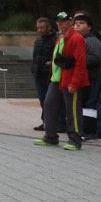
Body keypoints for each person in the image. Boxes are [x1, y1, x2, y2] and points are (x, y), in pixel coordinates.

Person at [35, 12, 88, 151]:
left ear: (70, 22)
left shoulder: (76, 38)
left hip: (69, 79)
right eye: (58, 21)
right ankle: (51, 136)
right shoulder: (61, 37)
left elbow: (80, 63)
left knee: (73, 110)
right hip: (57, 79)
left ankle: (75, 139)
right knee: (49, 105)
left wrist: (75, 83)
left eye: (63, 21)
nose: (60, 23)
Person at [75, 13, 101, 140]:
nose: (77, 26)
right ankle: (93, 130)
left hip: (93, 77)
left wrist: (76, 58)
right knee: (89, 104)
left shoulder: (92, 41)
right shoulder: (81, 40)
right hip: (86, 77)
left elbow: (95, 58)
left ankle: (90, 132)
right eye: (76, 23)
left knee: (90, 104)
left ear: (89, 27)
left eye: (81, 23)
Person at [31, 17, 56, 131]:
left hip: (49, 76)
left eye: (42, 28)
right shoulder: (38, 41)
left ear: (48, 27)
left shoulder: (56, 39)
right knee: (42, 100)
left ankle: (55, 123)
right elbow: (35, 56)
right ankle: (46, 122)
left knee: (50, 101)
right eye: (38, 28)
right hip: (38, 75)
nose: (39, 30)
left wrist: (49, 65)